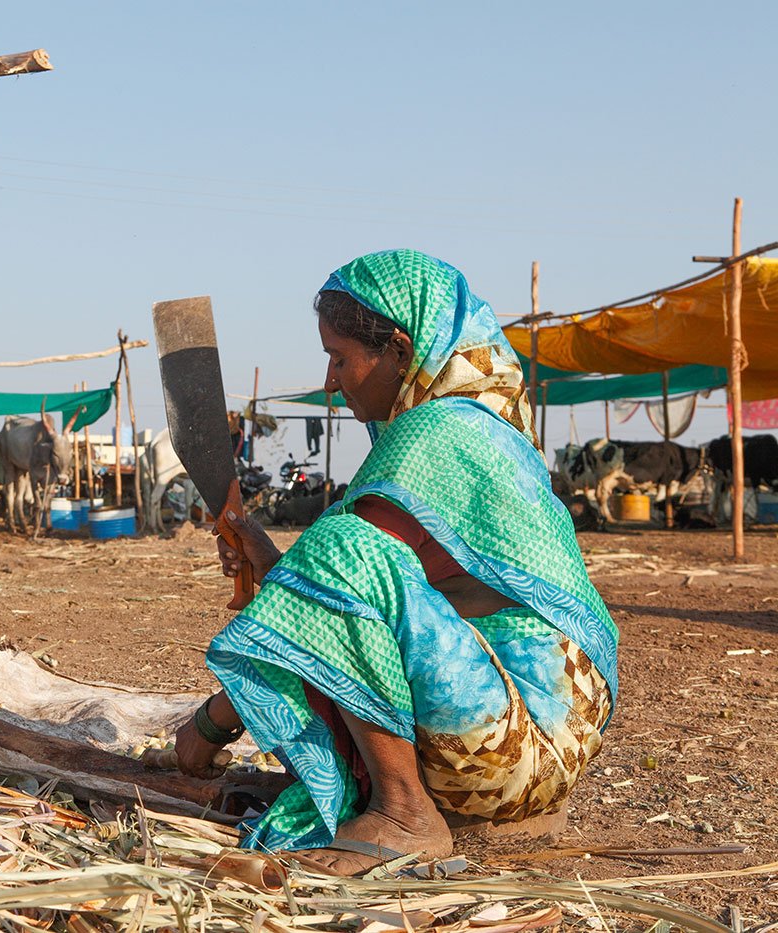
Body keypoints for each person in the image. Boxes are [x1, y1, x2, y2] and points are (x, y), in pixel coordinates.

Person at [174, 249, 618, 874]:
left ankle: (405, 810)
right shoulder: (468, 427)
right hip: (525, 738)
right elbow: (360, 609)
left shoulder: (439, 433)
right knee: (334, 557)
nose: (331, 379)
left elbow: (341, 574)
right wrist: (272, 561)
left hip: (520, 738)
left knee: (338, 548)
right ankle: (424, 801)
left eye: (340, 358)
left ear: (401, 352)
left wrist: (211, 725)